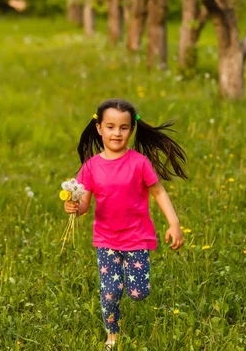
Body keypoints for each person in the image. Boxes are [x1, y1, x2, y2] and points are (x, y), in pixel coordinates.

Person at [64, 98, 187, 348]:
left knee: (138, 293)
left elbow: (159, 192)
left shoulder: (139, 163)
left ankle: (132, 293)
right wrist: (74, 208)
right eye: (110, 127)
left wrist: (174, 223)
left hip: (137, 238)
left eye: (123, 127)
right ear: (99, 128)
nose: (116, 133)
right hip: (107, 241)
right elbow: (85, 204)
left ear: (132, 129)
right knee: (110, 293)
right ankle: (112, 334)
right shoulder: (90, 168)